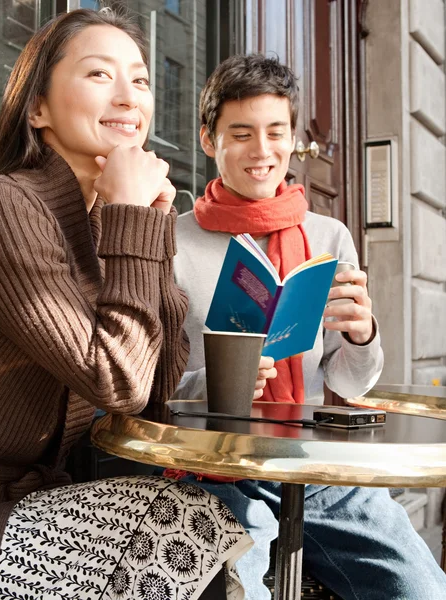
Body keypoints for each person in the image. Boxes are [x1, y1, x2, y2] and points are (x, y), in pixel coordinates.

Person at [0, 10, 253, 600]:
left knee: (196, 525)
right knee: (180, 526)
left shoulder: (106, 214)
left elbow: (158, 386)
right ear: (37, 109)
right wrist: (135, 220)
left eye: (143, 79)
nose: (130, 96)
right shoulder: (2, 204)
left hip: (43, 498)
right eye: (100, 74)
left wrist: (150, 225)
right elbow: (118, 381)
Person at [172, 54, 446, 599]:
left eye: (276, 132)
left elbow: (349, 384)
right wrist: (219, 385)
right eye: (241, 133)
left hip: (323, 467)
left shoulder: (328, 235)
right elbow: (148, 384)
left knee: (422, 590)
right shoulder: (171, 243)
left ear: (293, 138)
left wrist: (363, 335)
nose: (262, 151)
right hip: (222, 470)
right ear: (208, 139)